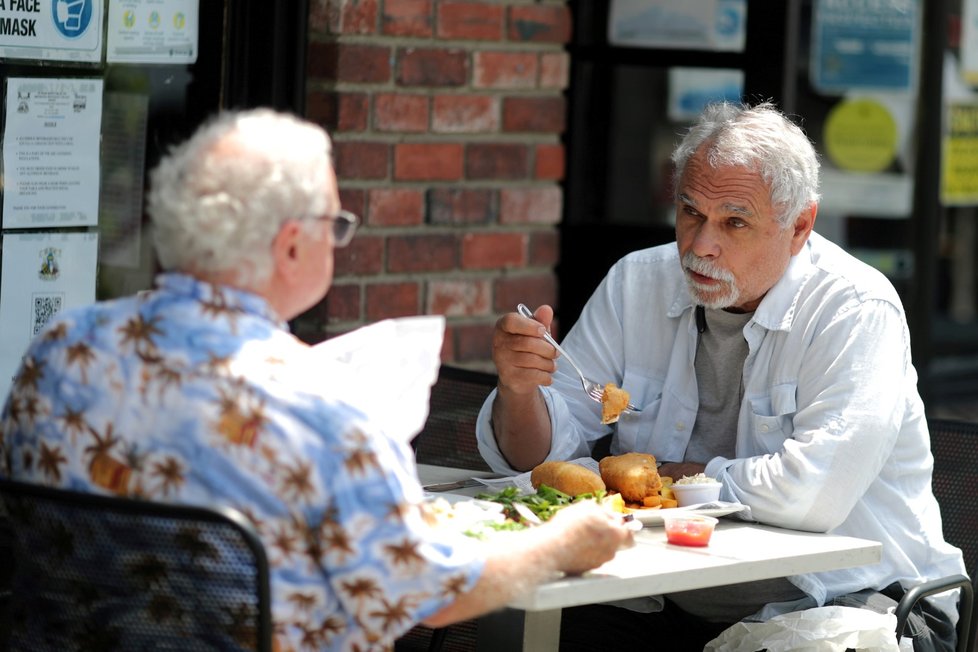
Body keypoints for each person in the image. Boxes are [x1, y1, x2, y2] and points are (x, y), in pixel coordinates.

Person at [0, 109, 633, 651]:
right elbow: (428, 592)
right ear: (292, 245)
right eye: (335, 225)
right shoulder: (322, 403)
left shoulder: (61, 349)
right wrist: (562, 544)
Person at [477, 101, 966, 652]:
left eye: (734, 222)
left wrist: (664, 479)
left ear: (799, 225)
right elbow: (540, 459)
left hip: (853, 602)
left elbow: (814, 493)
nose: (700, 246)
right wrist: (519, 391)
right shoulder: (637, 281)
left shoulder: (855, 307)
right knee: (522, 628)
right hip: (661, 596)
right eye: (691, 213)